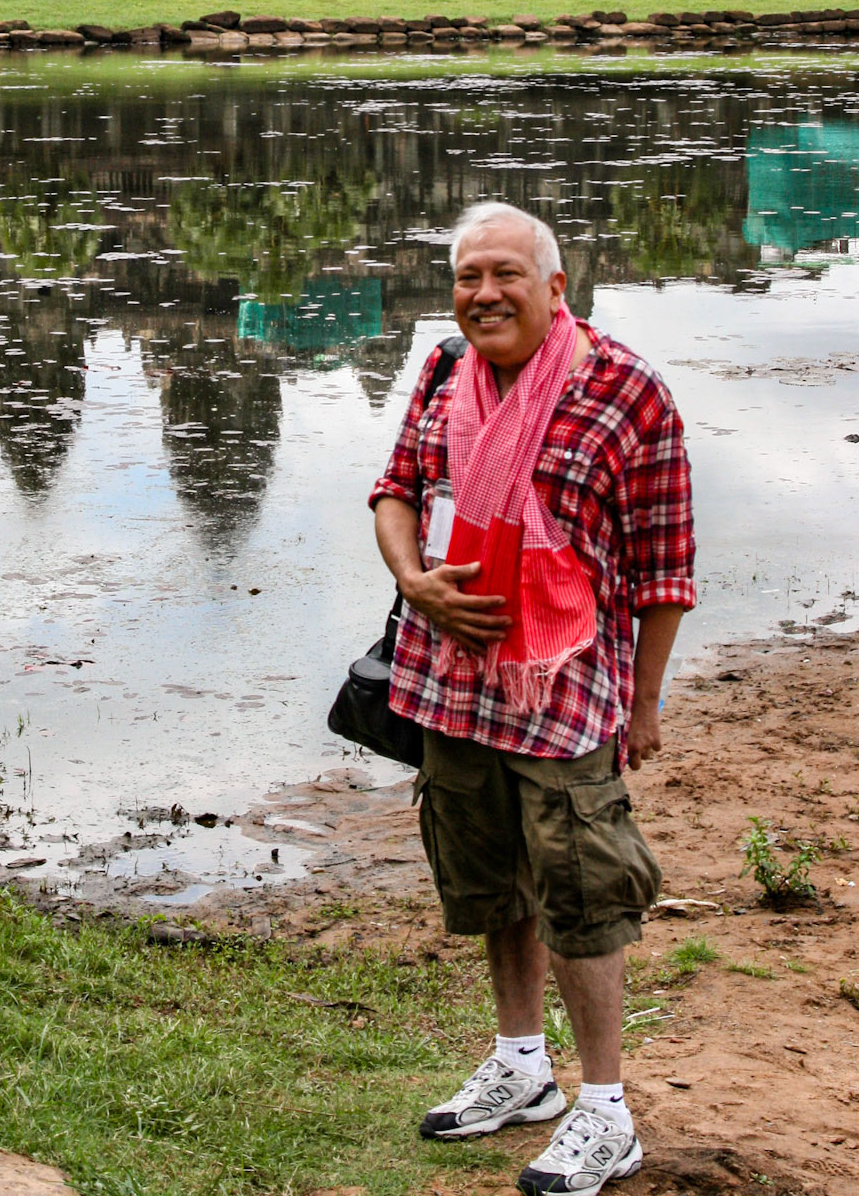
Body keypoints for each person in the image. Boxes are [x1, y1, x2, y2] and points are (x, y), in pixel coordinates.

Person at [369, 201, 694, 1195]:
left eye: (507, 273)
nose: (485, 293)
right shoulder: (441, 372)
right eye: (469, 276)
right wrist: (414, 578)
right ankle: (520, 1065)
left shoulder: (626, 391)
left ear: (558, 287)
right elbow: (393, 489)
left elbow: (663, 572)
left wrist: (642, 706)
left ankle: (606, 1108)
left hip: (562, 689)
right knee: (491, 885)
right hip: (450, 680)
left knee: (583, 894)